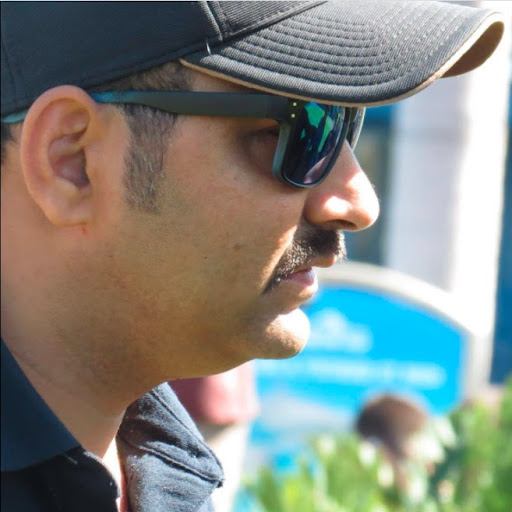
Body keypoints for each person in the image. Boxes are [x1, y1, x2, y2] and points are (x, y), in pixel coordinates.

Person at [0, 2, 505, 511]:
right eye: (300, 128)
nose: (358, 205)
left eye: (346, 123)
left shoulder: (166, 475)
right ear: (73, 161)